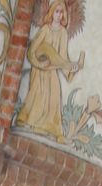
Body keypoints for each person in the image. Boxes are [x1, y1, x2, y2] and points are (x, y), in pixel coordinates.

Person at [16, 2, 84, 143]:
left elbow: (62, 56)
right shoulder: (45, 30)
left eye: (61, 12)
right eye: (57, 11)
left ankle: (53, 130)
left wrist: (69, 71)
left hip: (51, 68)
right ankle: (28, 120)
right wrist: (38, 64)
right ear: (51, 13)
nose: (59, 15)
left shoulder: (63, 33)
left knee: (54, 93)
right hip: (39, 68)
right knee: (38, 93)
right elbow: (31, 51)